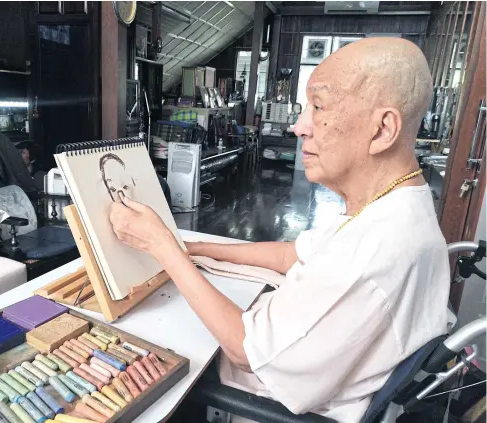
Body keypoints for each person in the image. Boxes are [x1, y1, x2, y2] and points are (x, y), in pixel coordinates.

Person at [109, 38, 451, 422]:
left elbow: (244, 349)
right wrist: (197, 247)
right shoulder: (390, 208)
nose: (298, 125)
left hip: (260, 400)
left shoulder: (374, 250)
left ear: (382, 129)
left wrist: (160, 244)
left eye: (318, 107)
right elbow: (292, 254)